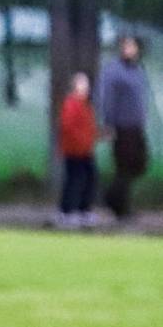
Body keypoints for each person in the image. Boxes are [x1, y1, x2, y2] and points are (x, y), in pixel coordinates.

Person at [99, 34, 151, 220]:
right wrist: (108, 124)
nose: (129, 49)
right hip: (121, 126)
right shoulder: (114, 71)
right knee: (124, 166)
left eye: (132, 46)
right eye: (126, 46)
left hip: (136, 126)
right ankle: (120, 207)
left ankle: (112, 199)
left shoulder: (137, 70)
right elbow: (107, 99)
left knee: (139, 164)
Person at [55, 72, 99, 228]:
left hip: (85, 150)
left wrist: (97, 135)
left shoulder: (86, 105)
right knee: (73, 181)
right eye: (82, 84)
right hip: (74, 151)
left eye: (86, 84)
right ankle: (65, 212)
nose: (85, 87)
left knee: (89, 179)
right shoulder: (71, 104)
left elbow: (89, 128)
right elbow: (68, 127)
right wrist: (82, 140)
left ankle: (83, 211)